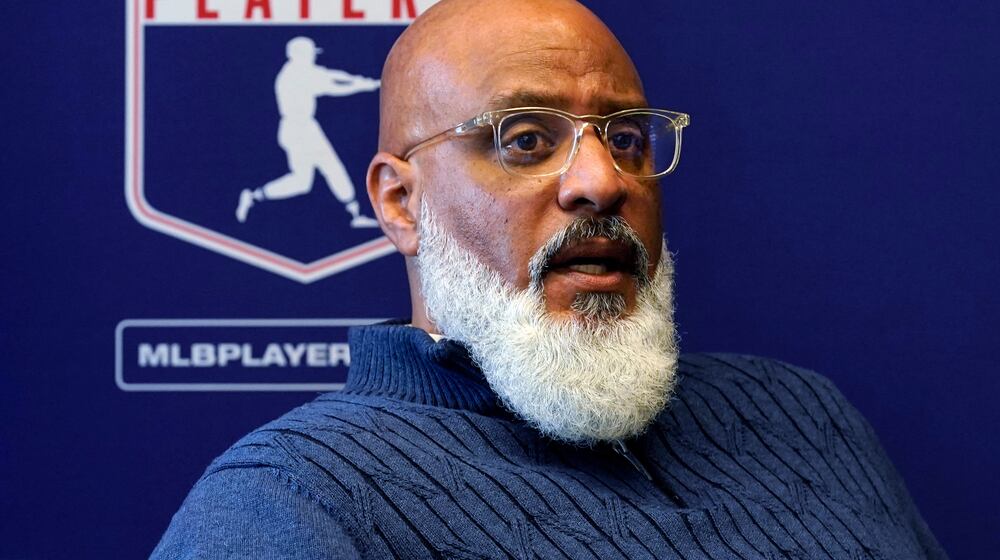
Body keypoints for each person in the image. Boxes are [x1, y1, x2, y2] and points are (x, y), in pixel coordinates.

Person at [154, 1, 946, 558]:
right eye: (526, 139)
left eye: (626, 138)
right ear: (400, 203)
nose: (603, 182)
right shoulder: (292, 498)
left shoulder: (802, 414)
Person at [236, 36, 380, 227]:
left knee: (306, 180)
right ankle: (355, 214)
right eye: (309, 53)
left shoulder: (304, 70)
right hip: (299, 130)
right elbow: (332, 88)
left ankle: (254, 196)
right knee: (326, 170)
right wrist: (364, 86)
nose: (313, 56)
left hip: (302, 128)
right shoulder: (294, 76)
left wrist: (358, 80)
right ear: (296, 55)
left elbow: (331, 74)